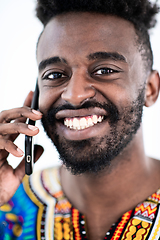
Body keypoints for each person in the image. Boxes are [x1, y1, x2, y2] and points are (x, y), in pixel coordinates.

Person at [0, 0, 160, 239]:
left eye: (104, 70)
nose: (74, 96)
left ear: (150, 89)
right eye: (55, 75)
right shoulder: (10, 205)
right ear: (35, 97)